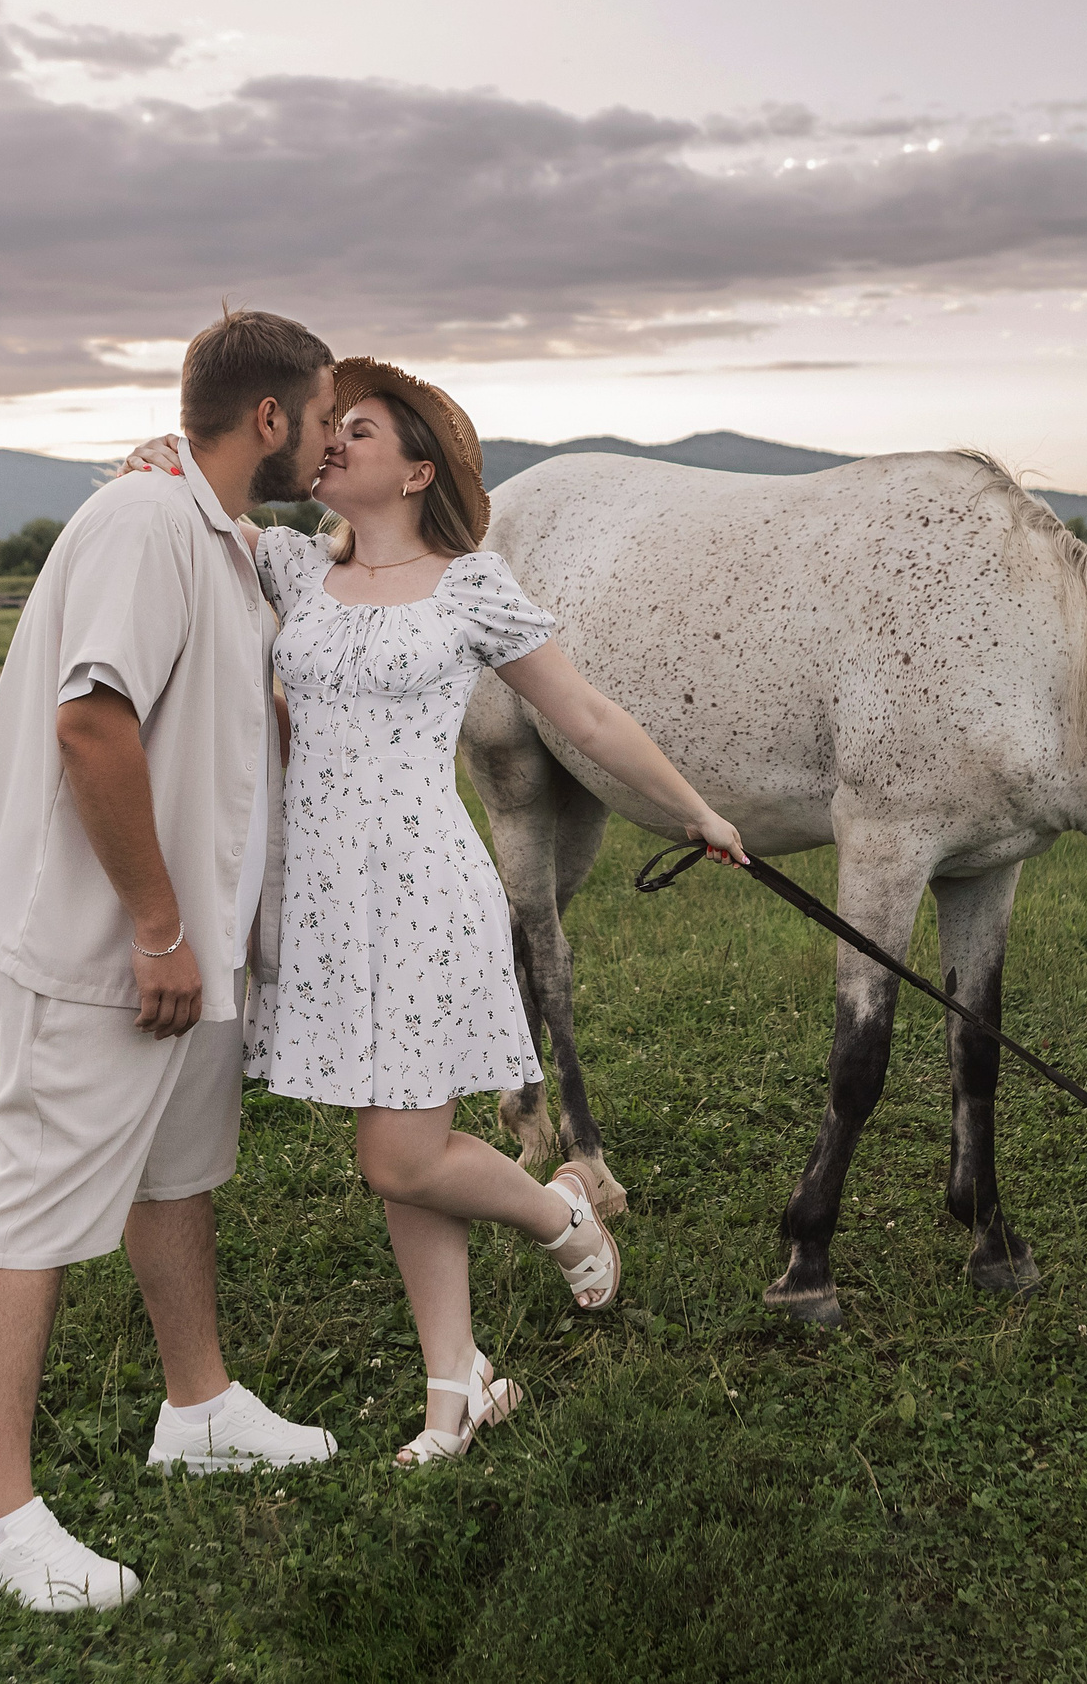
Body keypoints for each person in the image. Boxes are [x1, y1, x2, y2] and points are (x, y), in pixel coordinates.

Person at [121, 359, 746, 1468]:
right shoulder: (291, 566)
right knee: (401, 1143)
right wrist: (153, 465)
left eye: (355, 429)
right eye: (329, 426)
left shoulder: (470, 586)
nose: (330, 441)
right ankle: (455, 1388)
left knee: (396, 1151)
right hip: (321, 901)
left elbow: (589, 716)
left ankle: (559, 1213)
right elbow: (197, 485)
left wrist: (695, 809)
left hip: (421, 894)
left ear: (415, 469)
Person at [0, 309, 344, 1613]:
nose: (333, 446)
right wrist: (158, 924)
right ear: (269, 418)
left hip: (188, 948)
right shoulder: (149, 525)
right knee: (40, 1197)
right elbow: (92, 727)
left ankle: (200, 1405)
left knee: (176, 1176)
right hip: (111, 943)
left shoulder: (215, 539)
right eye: (325, 420)